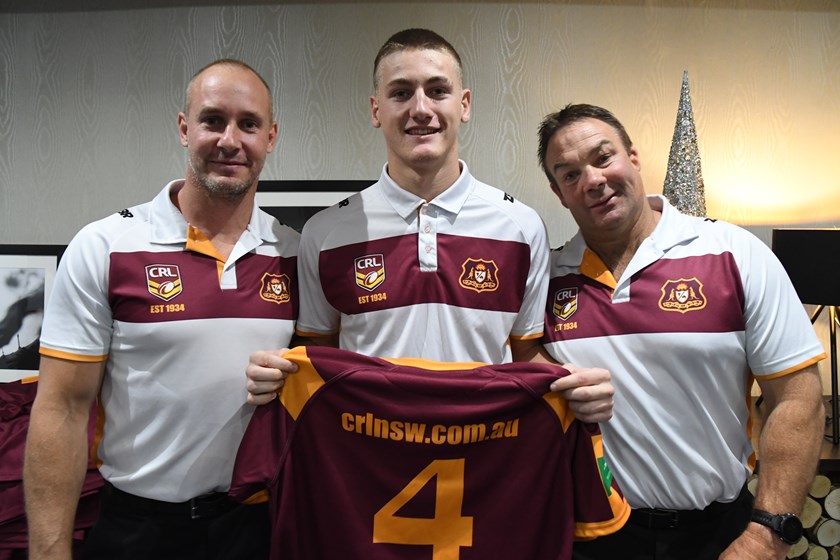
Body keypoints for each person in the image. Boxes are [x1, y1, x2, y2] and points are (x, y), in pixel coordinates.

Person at [246, 28, 614, 424]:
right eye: (401, 93)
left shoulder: (522, 227)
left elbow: (526, 353)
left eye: (437, 90)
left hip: (484, 452)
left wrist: (574, 388)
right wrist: (276, 374)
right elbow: (318, 356)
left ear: (464, 104)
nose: (420, 108)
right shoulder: (325, 233)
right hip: (369, 454)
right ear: (376, 110)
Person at [23, 58, 299, 560]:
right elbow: (62, 409)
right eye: (212, 120)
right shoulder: (105, 245)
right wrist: (47, 553)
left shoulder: (295, 253)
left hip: (255, 526)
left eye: (248, 124)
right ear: (184, 128)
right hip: (138, 530)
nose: (230, 140)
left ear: (271, 136)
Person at [537, 103, 826, 560]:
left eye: (603, 157)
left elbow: (797, 398)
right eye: (570, 174)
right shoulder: (546, 279)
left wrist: (765, 536)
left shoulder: (734, 253)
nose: (592, 180)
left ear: (633, 157)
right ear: (559, 193)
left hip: (719, 534)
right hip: (592, 535)